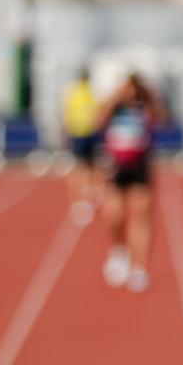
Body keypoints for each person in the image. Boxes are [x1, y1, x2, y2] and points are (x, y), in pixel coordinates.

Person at [96, 73, 167, 293]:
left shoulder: (145, 106)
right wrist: (117, 96)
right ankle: (120, 250)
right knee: (113, 214)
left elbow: (162, 119)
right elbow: (97, 120)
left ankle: (140, 267)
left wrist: (148, 96)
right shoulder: (114, 107)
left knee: (141, 215)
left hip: (139, 164)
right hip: (116, 164)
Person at [62, 69, 101, 226]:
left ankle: (84, 196)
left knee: (85, 167)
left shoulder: (76, 93)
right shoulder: (88, 92)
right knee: (83, 167)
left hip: (81, 133)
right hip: (83, 133)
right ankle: (80, 198)